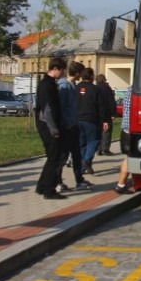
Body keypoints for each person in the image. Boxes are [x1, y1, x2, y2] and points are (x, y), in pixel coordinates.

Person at [57, 61, 93, 191]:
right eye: (81, 73)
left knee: (77, 155)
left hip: (74, 125)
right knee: (63, 156)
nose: (81, 76)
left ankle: (79, 180)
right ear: (77, 73)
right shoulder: (64, 86)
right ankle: (58, 181)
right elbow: (60, 107)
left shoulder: (72, 85)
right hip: (67, 127)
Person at [35, 57, 67, 199]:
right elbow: (47, 109)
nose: (63, 73)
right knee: (55, 157)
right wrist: (54, 129)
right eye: (62, 71)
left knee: (52, 157)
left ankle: (42, 186)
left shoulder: (48, 83)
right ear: (55, 69)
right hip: (47, 126)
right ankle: (49, 190)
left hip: (47, 125)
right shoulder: (47, 85)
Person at [77, 68, 109, 175]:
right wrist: (104, 120)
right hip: (91, 119)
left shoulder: (76, 88)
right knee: (94, 141)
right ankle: (86, 160)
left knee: (82, 144)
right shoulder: (95, 89)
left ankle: (81, 168)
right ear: (91, 76)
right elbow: (101, 106)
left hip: (78, 119)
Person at [114, 87, 135, 194]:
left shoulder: (128, 90)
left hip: (125, 129)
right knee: (130, 158)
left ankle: (123, 183)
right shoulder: (136, 91)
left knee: (129, 157)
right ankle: (121, 184)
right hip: (132, 130)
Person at [95, 73, 116, 155]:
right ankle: (105, 149)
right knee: (107, 131)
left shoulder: (95, 88)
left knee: (99, 131)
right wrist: (113, 113)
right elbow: (111, 101)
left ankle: (99, 149)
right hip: (107, 112)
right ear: (104, 80)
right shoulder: (107, 88)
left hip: (97, 113)